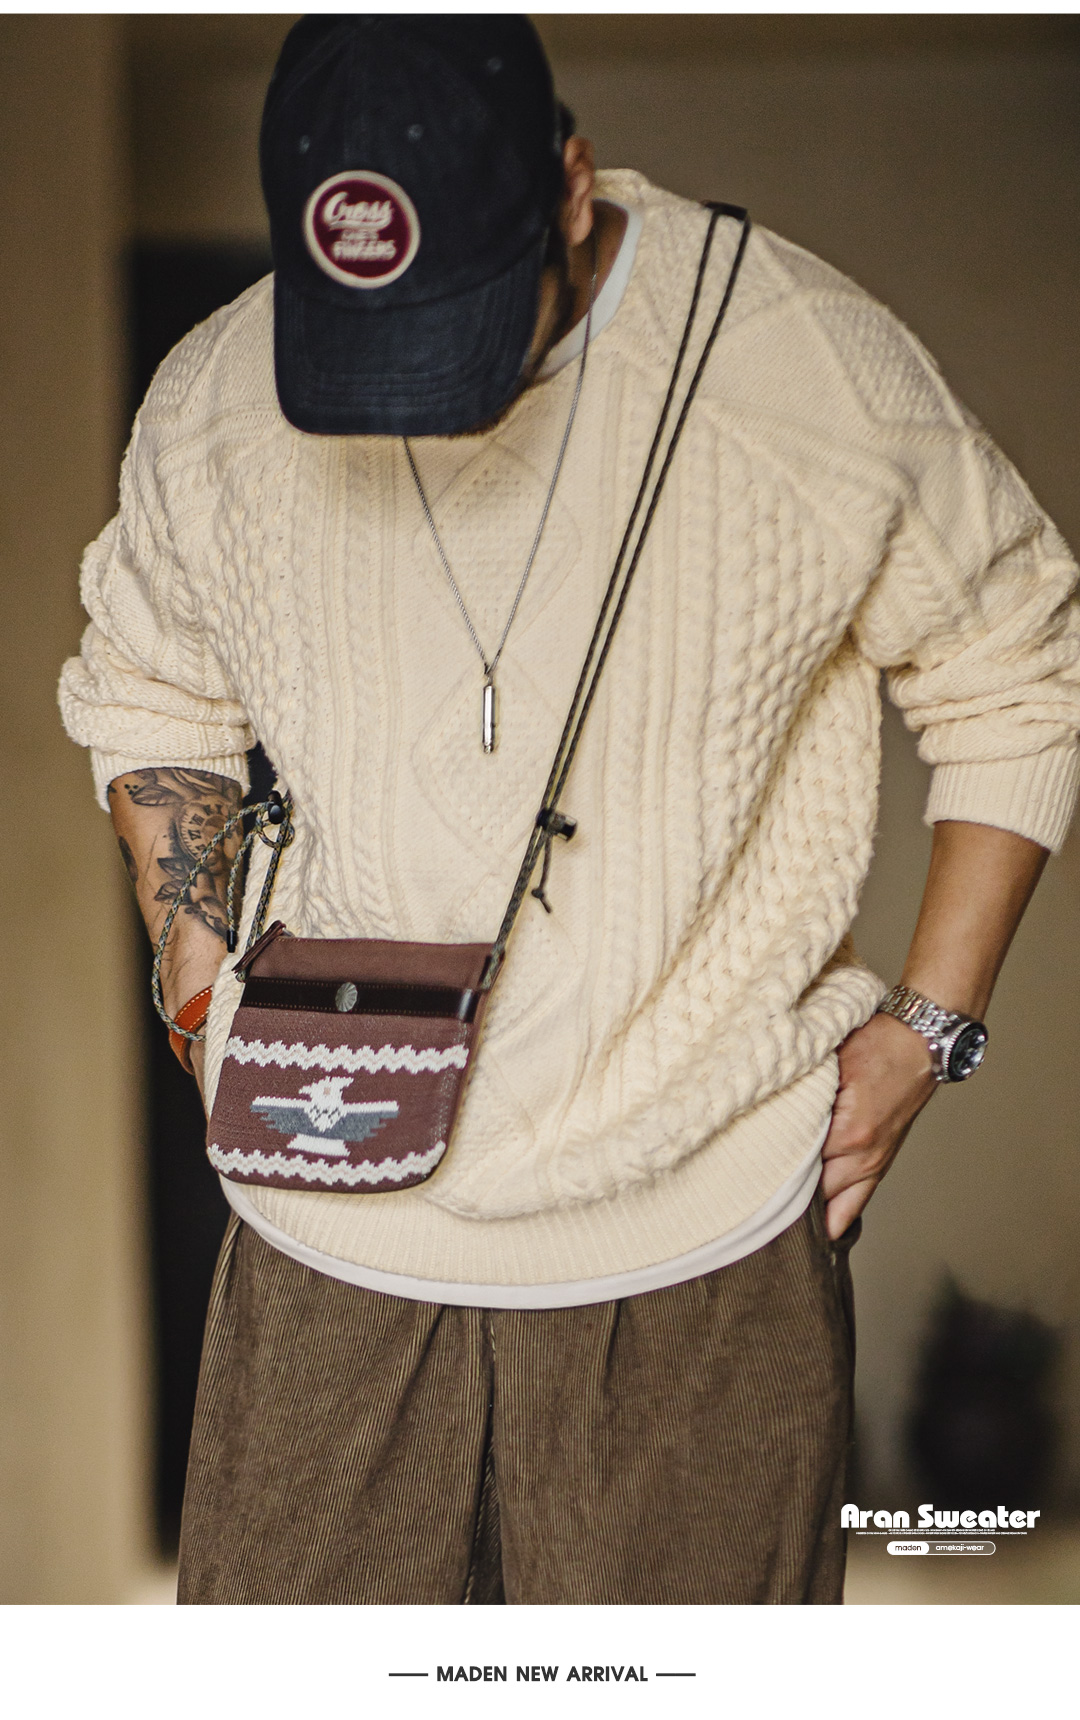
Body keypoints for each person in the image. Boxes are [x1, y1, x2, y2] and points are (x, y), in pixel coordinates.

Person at [59, 15, 1080, 1604]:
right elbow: (149, 680)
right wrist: (198, 982)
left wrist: (929, 1029)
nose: (415, 395)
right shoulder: (212, 395)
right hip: (324, 1239)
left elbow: (1016, 661)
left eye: (459, 326)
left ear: (573, 187)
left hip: (701, 1255)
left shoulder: (800, 364)